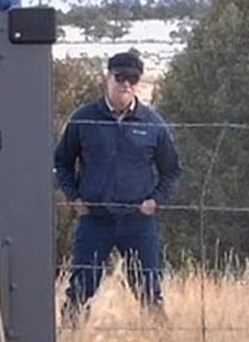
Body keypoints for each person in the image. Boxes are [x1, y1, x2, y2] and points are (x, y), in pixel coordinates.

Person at [54, 52, 182, 324]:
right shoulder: (83, 119)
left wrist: (155, 201)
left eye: (132, 78)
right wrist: (74, 197)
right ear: (108, 77)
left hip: (138, 221)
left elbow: (171, 171)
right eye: (120, 77)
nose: (126, 84)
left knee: (149, 290)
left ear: (139, 82)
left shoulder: (153, 125)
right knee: (80, 289)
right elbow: (61, 162)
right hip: (95, 220)